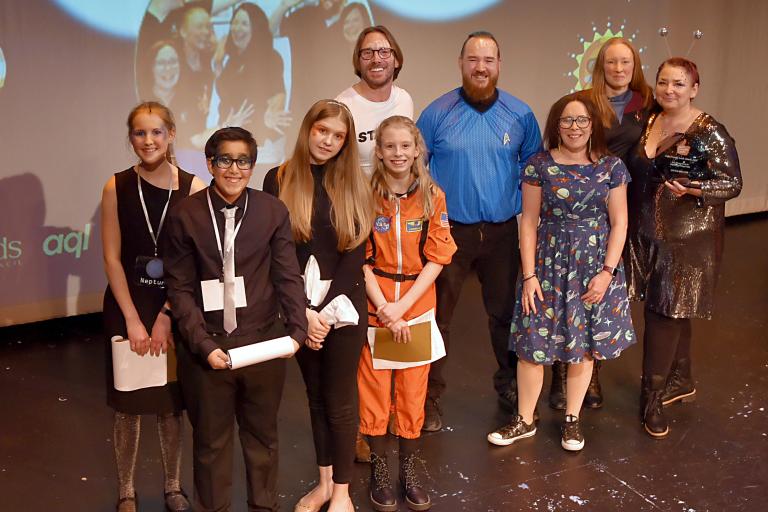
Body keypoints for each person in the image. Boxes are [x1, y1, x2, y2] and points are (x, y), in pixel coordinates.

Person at [163, 126, 308, 511]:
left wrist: (297, 331)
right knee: (211, 444)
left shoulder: (272, 211)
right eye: (224, 159)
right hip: (207, 346)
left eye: (243, 161)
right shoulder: (185, 216)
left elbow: (287, 275)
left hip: (262, 342)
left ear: (252, 166)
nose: (234, 169)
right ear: (210, 163)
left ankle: (263, 506)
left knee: (263, 439)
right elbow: (178, 289)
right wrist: (203, 345)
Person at [486, 93, 636, 452]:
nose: (574, 127)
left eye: (582, 120)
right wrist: (529, 275)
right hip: (547, 265)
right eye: (566, 120)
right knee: (531, 345)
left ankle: (572, 419)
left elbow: (619, 222)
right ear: (556, 125)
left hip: (592, 266)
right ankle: (524, 419)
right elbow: (529, 224)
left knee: (583, 347)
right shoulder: (539, 165)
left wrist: (607, 273)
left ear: (592, 125)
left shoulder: (611, 167)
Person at [416, 31, 542, 431]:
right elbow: (417, 170)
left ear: (500, 64)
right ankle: (428, 396)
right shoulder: (437, 113)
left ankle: (509, 384)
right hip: (449, 232)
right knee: (438, 317)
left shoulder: (520, 115)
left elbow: (534, 172)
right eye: (473, 59)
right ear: (461, 63)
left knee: (505, 315)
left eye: (488, 60)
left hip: (504, 231)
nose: (481, 67)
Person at [263, 99, 373, 512]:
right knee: (315, 398)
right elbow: (279, 252)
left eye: (337, 135)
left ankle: (343, 492)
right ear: (308, 129)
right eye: (321, 130)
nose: (327, 140)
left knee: (340, 399)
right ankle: (325, 483)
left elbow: (354, 258)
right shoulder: (279, 179)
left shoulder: (357, 184)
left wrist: (323, 315)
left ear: (346, 142)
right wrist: (303, 313)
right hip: (299, 309)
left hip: (343, 309)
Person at [625, 57, 742, 438]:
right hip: (644, 231)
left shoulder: (712, 133)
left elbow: (732, 184)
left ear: (694, 88)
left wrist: (695, 189)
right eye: (663, 83)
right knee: (675, 307)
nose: (669, 90)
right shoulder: (648, 121)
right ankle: (682, 378)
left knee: (666, 312)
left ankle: (652, 399)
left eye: (678, 84)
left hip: (688, 239)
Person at [101, 101, 206, 512]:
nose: (148, 141)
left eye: (156, 132)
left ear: (171, 135)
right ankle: (126, 491)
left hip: (175, 304)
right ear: (131, 138)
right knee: (127, 404)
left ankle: (172, 487)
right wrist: (132, 319)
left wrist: (165, 316)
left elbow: (195, 262)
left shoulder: (193, 188)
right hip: (128, 303)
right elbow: (112, 258)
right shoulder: (116, 186)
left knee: (169, 403)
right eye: (139, 133)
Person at [548, 37, 655, 411]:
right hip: (582, 206)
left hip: (624, 203)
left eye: (626, 62)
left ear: (635, 65)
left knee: (598, 296)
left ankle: (590, 376)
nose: (619, 69)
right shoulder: (583, 101)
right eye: (612, 62)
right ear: (601, 66)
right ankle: (560, 377)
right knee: (566, 295)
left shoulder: (648, 104)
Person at [358, 116, 456, 511]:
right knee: (376, 390)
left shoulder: (433, 195)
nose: (398, 153)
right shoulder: (366, 195)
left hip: (415, 303)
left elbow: (437, 257)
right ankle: (380, 470)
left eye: (405, 146)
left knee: (413, 390)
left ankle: (409, 470)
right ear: (378, 151)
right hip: (375, 304)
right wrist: (384, 307)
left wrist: (402, 307)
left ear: (417, 150)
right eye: (390, 146)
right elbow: (359, 258)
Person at [336, 25, 414, 176]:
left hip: (394, 198)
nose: (376, 59)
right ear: (358, 62)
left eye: (384, 52)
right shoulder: (343, 106)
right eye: (367, 53)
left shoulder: (404, 99)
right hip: (357, 198)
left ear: (396, 60)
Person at [215, 3, 289, 145]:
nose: (237, 29)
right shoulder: (232, 60)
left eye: (244, 23)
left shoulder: (270, 58)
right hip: (230, 137)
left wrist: (262, 120)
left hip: (258, 142)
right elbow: (224, 95)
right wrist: (217, 63)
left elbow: (278, 99)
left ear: (255, 28)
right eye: (235, 23)